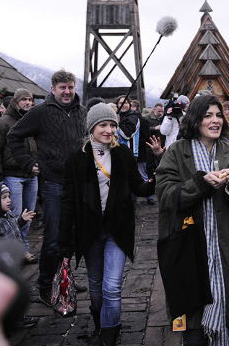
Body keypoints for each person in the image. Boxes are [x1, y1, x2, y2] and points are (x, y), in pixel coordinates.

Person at [156, 95, 229, 346]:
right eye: (207, 115)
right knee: (193, 328)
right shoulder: (177, 151)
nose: (215, 121)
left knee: (223, 313)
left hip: (225, 247)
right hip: (190, 245)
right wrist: (200, 184)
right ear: (196, 120)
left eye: (218, 115)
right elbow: (165, 195)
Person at [58, 103, 156, 346]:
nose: (110, 129)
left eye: (113, 124)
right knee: (96, 287)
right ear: (92, 127)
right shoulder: (76, 160)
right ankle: (100, 326)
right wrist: (64, 240)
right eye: (103, 125)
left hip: (117, 230)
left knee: (111, 287)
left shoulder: (122, 154)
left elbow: (139, 187)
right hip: (89, 232)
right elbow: (68, 201)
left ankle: (108, 338)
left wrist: (156, 166)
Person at [7, 70, 87, 306]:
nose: (67, 91)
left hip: (78, 185)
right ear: (53, 89)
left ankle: (65, 280)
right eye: (62, 87)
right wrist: (28, 163)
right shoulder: (40, 112)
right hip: (53, 184)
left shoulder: (81, 113)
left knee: (72, 236)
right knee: (53, 239)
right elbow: (14, 136)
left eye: (70, 87)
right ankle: (44, 287)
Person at [0, 88, 39, 264]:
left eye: (30, 99)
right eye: (24, 99)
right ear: (16, 102)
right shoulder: (3, 123)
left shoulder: (32, 121)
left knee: (27, 215)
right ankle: (14, 251)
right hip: (12, 175)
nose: (27, 102)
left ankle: (22, 248)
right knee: (14, 215)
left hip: (32, 174)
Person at [0, 181, 38, 329]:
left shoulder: (7, 215)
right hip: (3, 264)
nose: (9, 200)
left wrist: (21, 220)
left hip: (13, 262)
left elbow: (13, 226)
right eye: (4, 197)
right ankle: (14, 318)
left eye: (9, 196)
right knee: (10, 291)